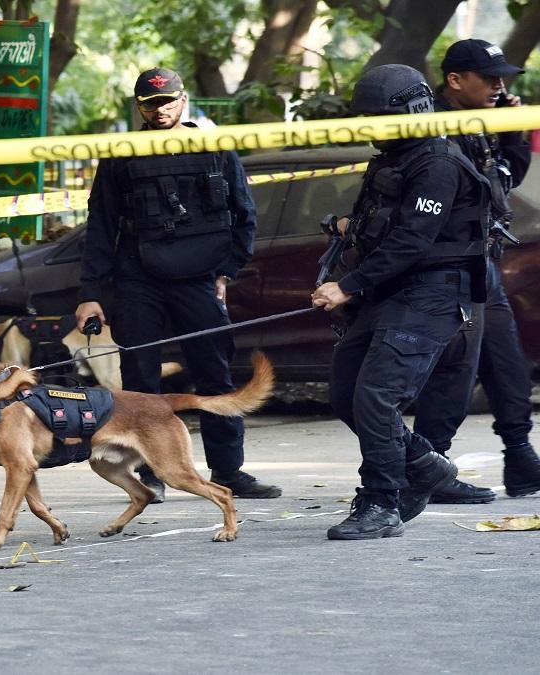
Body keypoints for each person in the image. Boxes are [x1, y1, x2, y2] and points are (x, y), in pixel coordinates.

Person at [74, 67, 281, 502]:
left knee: (215, 376)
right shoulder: (122, 153)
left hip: (199, 278)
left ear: (183, 100)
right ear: (139, 107)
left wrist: (227, 272)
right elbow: (101, 225)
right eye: (151, 103)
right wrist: (91, 293)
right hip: (138, 278)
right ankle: (149, 470)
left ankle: (229, 470)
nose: (161, 109)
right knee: (139, 380)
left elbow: (245, 216)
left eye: (168, 100)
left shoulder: (213, 147)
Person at [312, 64, 490, 540]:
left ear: (411, 112)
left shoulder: (438, 163)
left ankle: (381, 502)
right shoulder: (392, 157)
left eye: (378, 117)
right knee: (346, 394)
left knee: (375, 397)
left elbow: (413, 240)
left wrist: (346, 287)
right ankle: (424, 465)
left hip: (432, 293)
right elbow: (379, 227)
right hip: (389, 293)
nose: (370, 127)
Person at [411, 39, 540, 503]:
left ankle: (521, 456)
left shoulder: (480, 122)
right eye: (490, 78)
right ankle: (432, 467)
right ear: (455, 80)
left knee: (507, 367)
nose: (500, 86)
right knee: (454, 375)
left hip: (482, 263)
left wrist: (514, 131)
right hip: (445, 269)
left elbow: (504, 181)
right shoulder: (431, 128)